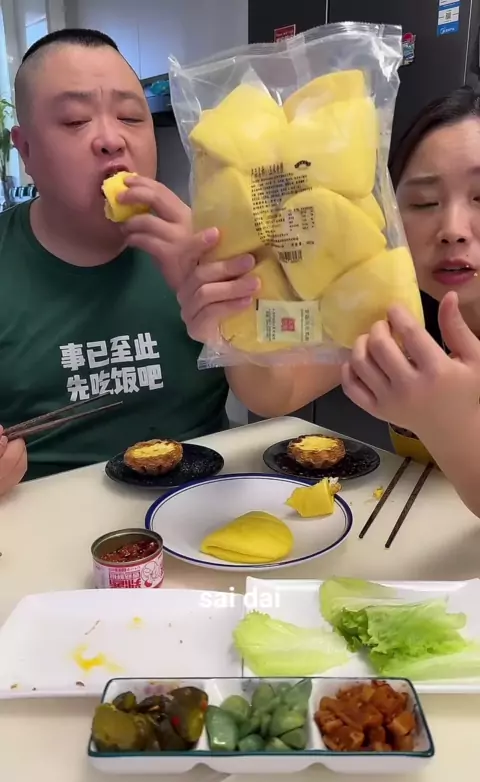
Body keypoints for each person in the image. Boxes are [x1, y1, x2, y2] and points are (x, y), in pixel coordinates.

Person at [0, 27, 339, 493]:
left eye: (130, 117)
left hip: (199, 506)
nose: (111, 139)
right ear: (25, 149)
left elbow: (276, 395)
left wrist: (228, 320)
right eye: (76, 121)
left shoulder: (219, 240)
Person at [341, 86, 480, 518]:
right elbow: (273, 392)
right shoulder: (400, 310)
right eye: (424, 202)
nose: (452, 229)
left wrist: (449, 424)